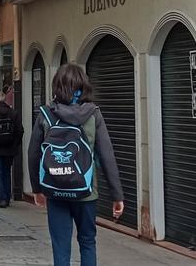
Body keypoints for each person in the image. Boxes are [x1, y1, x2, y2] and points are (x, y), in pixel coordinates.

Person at [28, 64, 125, 266]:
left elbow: (33, 153)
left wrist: (37, 189)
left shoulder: (45, 114)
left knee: (61, 246)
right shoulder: (93, 114)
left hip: (55, 190)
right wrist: (117, 195)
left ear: (57, 86)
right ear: (84, 86)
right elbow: (107, 155)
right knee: (87, 242)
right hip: (86, 191)